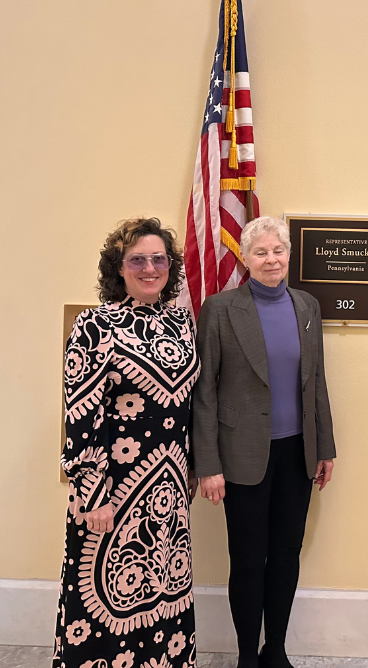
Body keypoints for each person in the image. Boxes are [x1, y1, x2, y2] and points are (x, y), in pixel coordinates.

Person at [55, 218, 200, 668]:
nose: (150, 268)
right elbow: (81, 415)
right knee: (102, 606)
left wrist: (192, 467)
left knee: (165, 596)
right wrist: (94, 494)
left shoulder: (181, 323)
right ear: (118, 268)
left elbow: (189, 405)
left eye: (159, 259)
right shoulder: (95, 325)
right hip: (112, 491)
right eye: (137, 259)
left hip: (169, 491)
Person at [192, 215, 336, 668]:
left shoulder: (307, 305)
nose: (271, 259)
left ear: (289, 255)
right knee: (250, 558)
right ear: (245, 258)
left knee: (286, 556)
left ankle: (275, 650)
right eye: (261, 252)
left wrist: (325, 448)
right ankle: (245, 657)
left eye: (278, 251)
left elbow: (317, 384)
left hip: (297, 454)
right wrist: (208, 464)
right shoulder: (219, 309)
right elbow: (205, 392)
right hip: (242, 456)